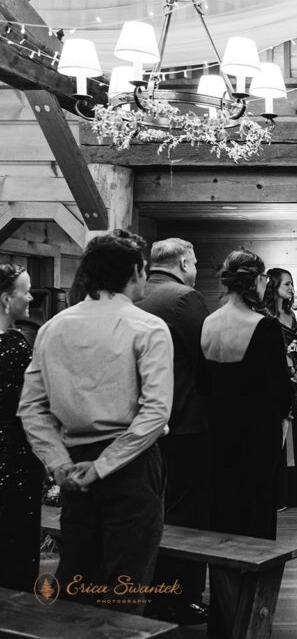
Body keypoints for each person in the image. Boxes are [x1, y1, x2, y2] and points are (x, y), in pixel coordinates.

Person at [19, 231, 172, 613]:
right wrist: (102, 467)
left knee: (77, 580)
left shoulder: (53, 327)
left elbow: (32, 409)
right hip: (131, 467)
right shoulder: (148, 328)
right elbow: (155, 412)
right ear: (136, 271)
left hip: (73, 465)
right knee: (126, 583)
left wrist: (59, 464)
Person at [201, 249, 292, 637]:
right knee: (256, 531)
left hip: (217, 440)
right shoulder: (265, 327)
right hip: (257, 441)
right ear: (255, 282)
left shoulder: (206, 323)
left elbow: (204, 386)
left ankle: (221, 620)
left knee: (222, 527)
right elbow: (280, 392)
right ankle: (252, 619)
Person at [133, 237, 211, 625]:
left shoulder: (133, 294)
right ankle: (182, 597)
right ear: (182, 263)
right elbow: (206, 357)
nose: (195, 270)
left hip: (140, 424)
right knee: (188, 515)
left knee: (150, 510)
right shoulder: (185, 299)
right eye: (194, 263)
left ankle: (147, 592)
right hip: (184, 422)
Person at [0, 264, 39, 592]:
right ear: (5, 300)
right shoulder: (13, 345)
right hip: (12, 455)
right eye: (25, 291)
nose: (30, 297)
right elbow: (30, 405)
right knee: (15, 541)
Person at [264, 267, 297, 510]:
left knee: (295, 431)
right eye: (287, 284)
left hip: (294, 381)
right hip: (276, 382)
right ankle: (278, 493)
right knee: (279, 434)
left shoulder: (291, 315)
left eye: (292, 284)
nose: (292, 288)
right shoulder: (265, 315)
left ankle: (294, 493)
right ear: (274, 287)